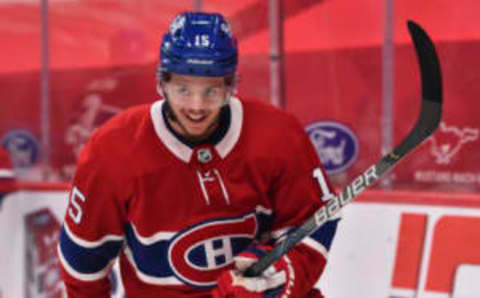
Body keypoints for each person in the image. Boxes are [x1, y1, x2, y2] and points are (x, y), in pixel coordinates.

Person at [58, 11, 339, 298]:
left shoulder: (279, 135)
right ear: (162, 83)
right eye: (183, 89)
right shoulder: (112, 150)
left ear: (230, 86)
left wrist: (276, 276)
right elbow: (83, 266)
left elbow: (315, 225)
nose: (196, 106)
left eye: (211, 91)